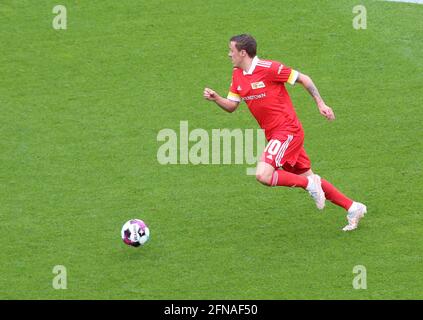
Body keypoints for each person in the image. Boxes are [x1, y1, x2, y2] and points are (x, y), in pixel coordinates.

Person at [203, 34, 366, 231]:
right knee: (309, 176)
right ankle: (353, 207)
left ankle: (308, 185)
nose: (229, 54)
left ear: (243, 52)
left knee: (263, 175)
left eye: (231, 50)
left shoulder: (270, 68)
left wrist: (320, 103)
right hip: (274, 135)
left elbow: (303, 78)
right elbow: (231, 106)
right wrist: (216, 98)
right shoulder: (237, 74)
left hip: (287, 131)